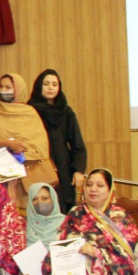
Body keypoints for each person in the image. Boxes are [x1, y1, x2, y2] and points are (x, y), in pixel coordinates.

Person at [0, 73, 51, 208]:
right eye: (1, 87)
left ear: (18, 90)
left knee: (22, 218)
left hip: (26, 176)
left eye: (8, 87)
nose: (3, 90)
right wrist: (9, 144)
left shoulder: (30, 113)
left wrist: (21, 153)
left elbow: (40, 145)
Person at [28, 70, 87, 213]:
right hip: (38, 167)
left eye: (54, 84)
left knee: (64, 210)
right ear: (38, 86)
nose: (50, 88)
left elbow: (78, 145)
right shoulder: (29, 110)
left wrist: (78, 170)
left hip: (63, 169)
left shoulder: (66, 112)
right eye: (46, 84)